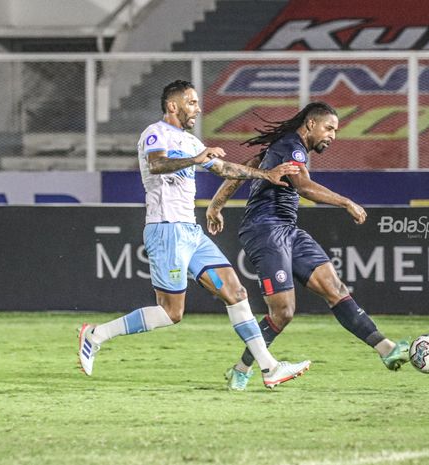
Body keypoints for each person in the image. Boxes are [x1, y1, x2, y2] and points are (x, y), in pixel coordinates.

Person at [78, 80, 310, 389]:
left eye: (198, 103)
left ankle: (269, 368)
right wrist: (196, 160)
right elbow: (157, 164)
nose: (198, 109)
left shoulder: (190, 141)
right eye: (191, 102)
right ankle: (97, 334)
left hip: (191, 232)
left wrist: (265, 174)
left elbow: (225, 168)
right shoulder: (155, 133)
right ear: (172, 106)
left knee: (236, 292)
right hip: (166, 230)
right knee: (171, 313)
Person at [206, 102, 411, 391]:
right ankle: (241, 371)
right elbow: (304, 187)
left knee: (335, 288)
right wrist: (347, 202)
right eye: (329, 128)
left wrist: (216, 205)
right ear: (311, 125)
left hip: (287, 230)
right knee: (283, 311)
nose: (333, 136)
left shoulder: (284, 147)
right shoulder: (292, 146)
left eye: (336, 131)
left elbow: (249, 166)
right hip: (265, 229)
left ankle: (386, 348)